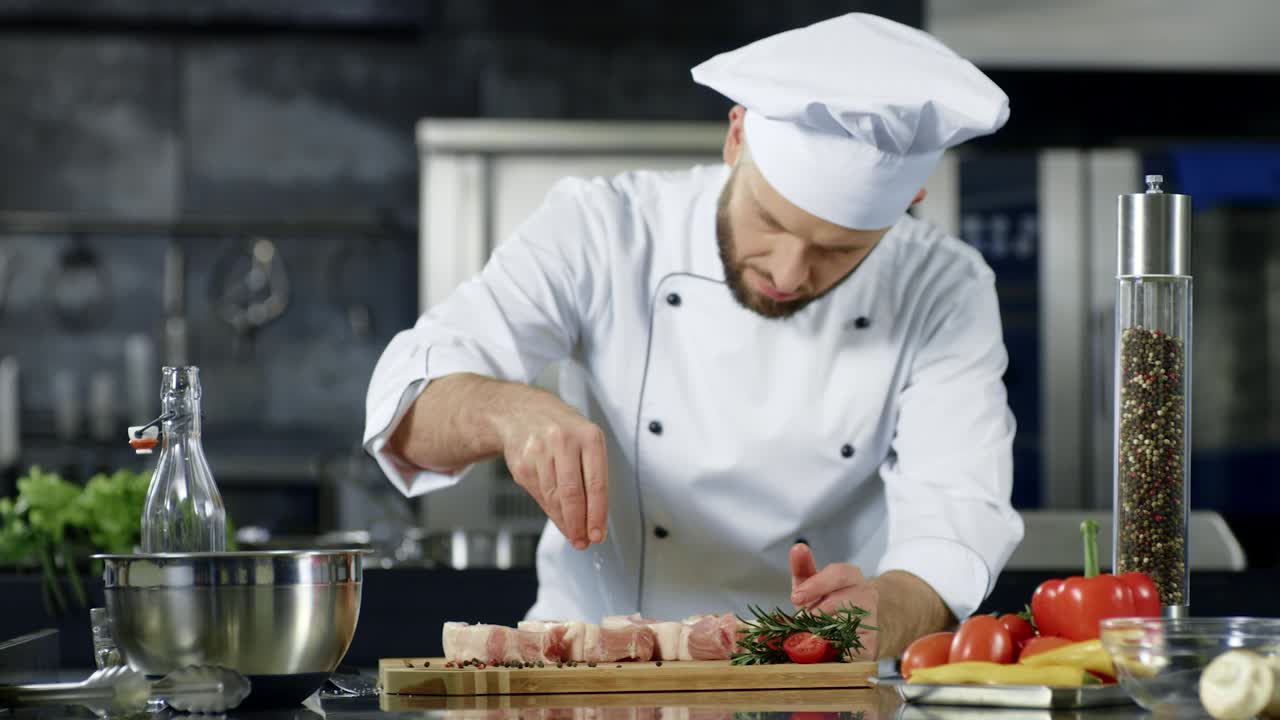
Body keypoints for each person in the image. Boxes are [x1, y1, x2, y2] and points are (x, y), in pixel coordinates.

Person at [363, 12, 1024, 658]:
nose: (789, 273)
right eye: (769, 220)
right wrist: (507, 410)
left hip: (815, 683)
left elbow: (956, 515)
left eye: (840, 250)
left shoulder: (944, 287)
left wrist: (886, 613)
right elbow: (407, 405)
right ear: (736, 135)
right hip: (588, 672)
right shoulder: (606, 228)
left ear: (909, 204)